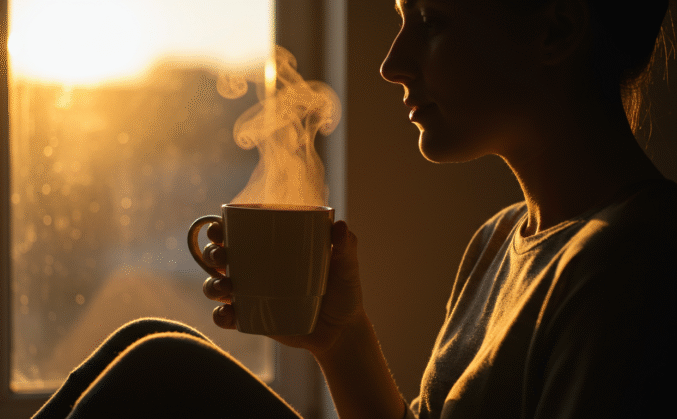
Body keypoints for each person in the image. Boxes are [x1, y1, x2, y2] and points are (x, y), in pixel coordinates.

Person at [33, 0, 675, 418]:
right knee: (150, 338)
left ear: (555, 28)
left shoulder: (628, 264)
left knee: (160, 370)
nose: (393, 64)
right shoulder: (500, 240)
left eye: (434, 22)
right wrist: (341, 339)